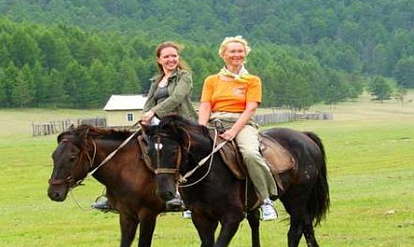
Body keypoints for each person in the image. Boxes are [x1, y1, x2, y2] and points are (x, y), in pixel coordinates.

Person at [92, 41, 198, 212]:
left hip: (179, 123)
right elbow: (149, 101)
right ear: (159, 59)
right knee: (130, 147)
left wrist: (154, 113)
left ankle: (177, 195)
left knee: (171, 154)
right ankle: (114, 194)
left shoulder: (184, 76)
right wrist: (146, 117)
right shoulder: (157, 80)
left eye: (174, 56)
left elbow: (176, 98)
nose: (171, 59)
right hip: (157, 124)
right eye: (166, 56)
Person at [198, 36, 278, 221]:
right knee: (191, 151)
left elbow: (250, 108)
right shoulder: (212, 80)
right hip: (214, 121)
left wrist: (234, 131)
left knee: (250, 153)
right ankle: (190, 201)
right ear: (223, 54)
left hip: (241, 123)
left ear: (245, 54)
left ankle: (266, 200)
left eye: (240, 51)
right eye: (232, 51)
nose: (237, 55)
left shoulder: (252, 80)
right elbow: (205, 105)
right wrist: (201, 128)